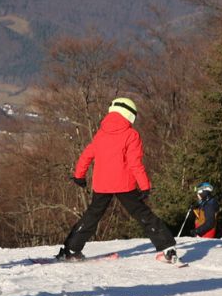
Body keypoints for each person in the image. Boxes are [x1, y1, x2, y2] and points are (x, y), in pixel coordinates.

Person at [58, 97, 179, 263]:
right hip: (125, 185)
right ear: (129, 114)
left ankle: (71, 249)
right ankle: (167, 249)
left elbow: (87, 155)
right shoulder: (131, 135)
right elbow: (135, 163)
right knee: (143, 214)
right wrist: (144, 186)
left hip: (101, 185)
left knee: (91, 216)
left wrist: (79, 175)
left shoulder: (101, 134)